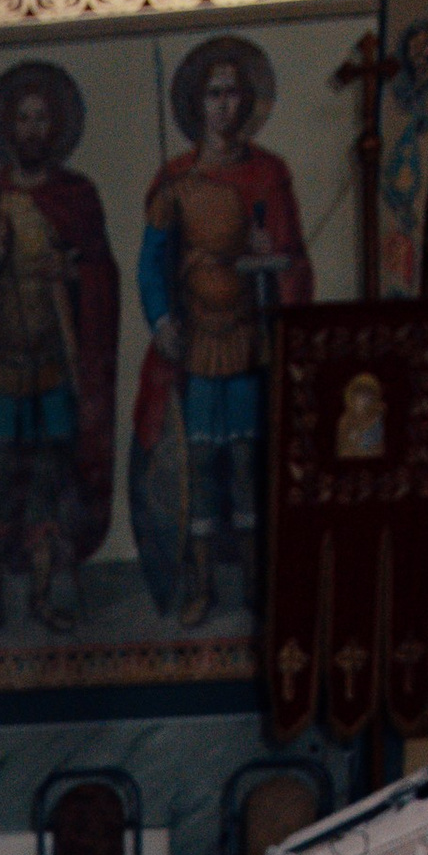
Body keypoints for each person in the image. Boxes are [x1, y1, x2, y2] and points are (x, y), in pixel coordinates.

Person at [131, 32, 309, 628]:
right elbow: (152, 264)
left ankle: (257, 584)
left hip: (250, 341)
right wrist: (161, 320)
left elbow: (292, 258)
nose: (224, 105)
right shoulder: (176, 179)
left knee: (247, 462)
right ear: (197, 103)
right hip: (196, 343)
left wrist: (270, 262)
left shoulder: (269, 174)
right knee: (201, 466)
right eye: (214, 94)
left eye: (233, 93)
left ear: (248, 101)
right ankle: (202, 586)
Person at [0, 59, 119, 639]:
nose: (33, 129)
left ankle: (41, 601)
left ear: (57, 127)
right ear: (7, 128)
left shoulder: (77, 197)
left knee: (47, 488)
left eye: (43, 118)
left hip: (54, 372)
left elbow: (102, 274)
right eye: (23, 118)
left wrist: (73, 273)